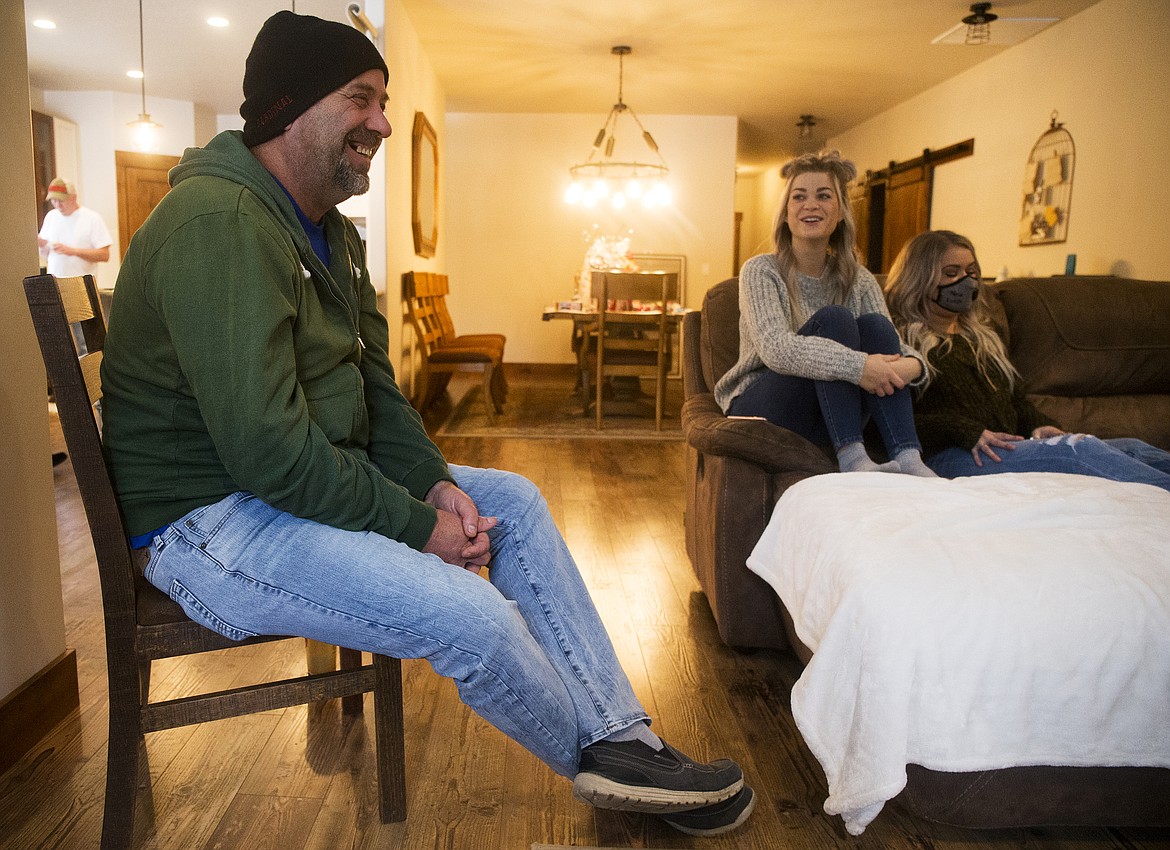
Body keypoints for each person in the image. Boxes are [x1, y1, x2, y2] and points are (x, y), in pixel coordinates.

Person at [98, 11, 753, 837]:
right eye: (361, 98)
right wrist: (417, 525)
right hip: (211, 525)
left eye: (383, 101)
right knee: (470, 617)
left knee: (508, 500)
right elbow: (267, 452)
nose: (379, 120)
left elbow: (374, 386)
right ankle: (609, 768)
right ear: (285, 109)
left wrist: (435, 482)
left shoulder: (327, 233)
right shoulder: (221, 223)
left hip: (285, 486)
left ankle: (623, 740)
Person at [884, 229, 1170, 491]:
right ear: (919, 278)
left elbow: (1017, 401)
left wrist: (1037, 425)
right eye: (951, 272)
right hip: (949, 456)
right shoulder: (899, 338)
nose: (967, 281)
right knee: (1077, 450)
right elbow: (888, 419)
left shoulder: (984, 335)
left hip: (1007, 446)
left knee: (1133, 446)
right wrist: (964, 431)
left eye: (972, 271)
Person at [714, 151, 935, 476]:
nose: (811, 205)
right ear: (786, 214)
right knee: (836, 320)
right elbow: (776, 350)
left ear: (841, 211)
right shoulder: (761, 271)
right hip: (763, 402)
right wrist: (859, 366)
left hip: (828, 411)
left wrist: (912, 365)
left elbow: (895, 345)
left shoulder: (859, 278)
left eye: (824, 196)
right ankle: (852, 457)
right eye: (799, 197)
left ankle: (909, 458)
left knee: (874, 325)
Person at [37, 178, 113, 281]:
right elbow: (46, 255)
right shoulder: (51, 216)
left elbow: (104, 255)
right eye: (54, 200)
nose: (57, 205)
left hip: (81, 285)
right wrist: (42, 245)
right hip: (55, 282)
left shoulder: (92, 218)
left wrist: (73, 251)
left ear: (74, 197)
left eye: (61, 200)